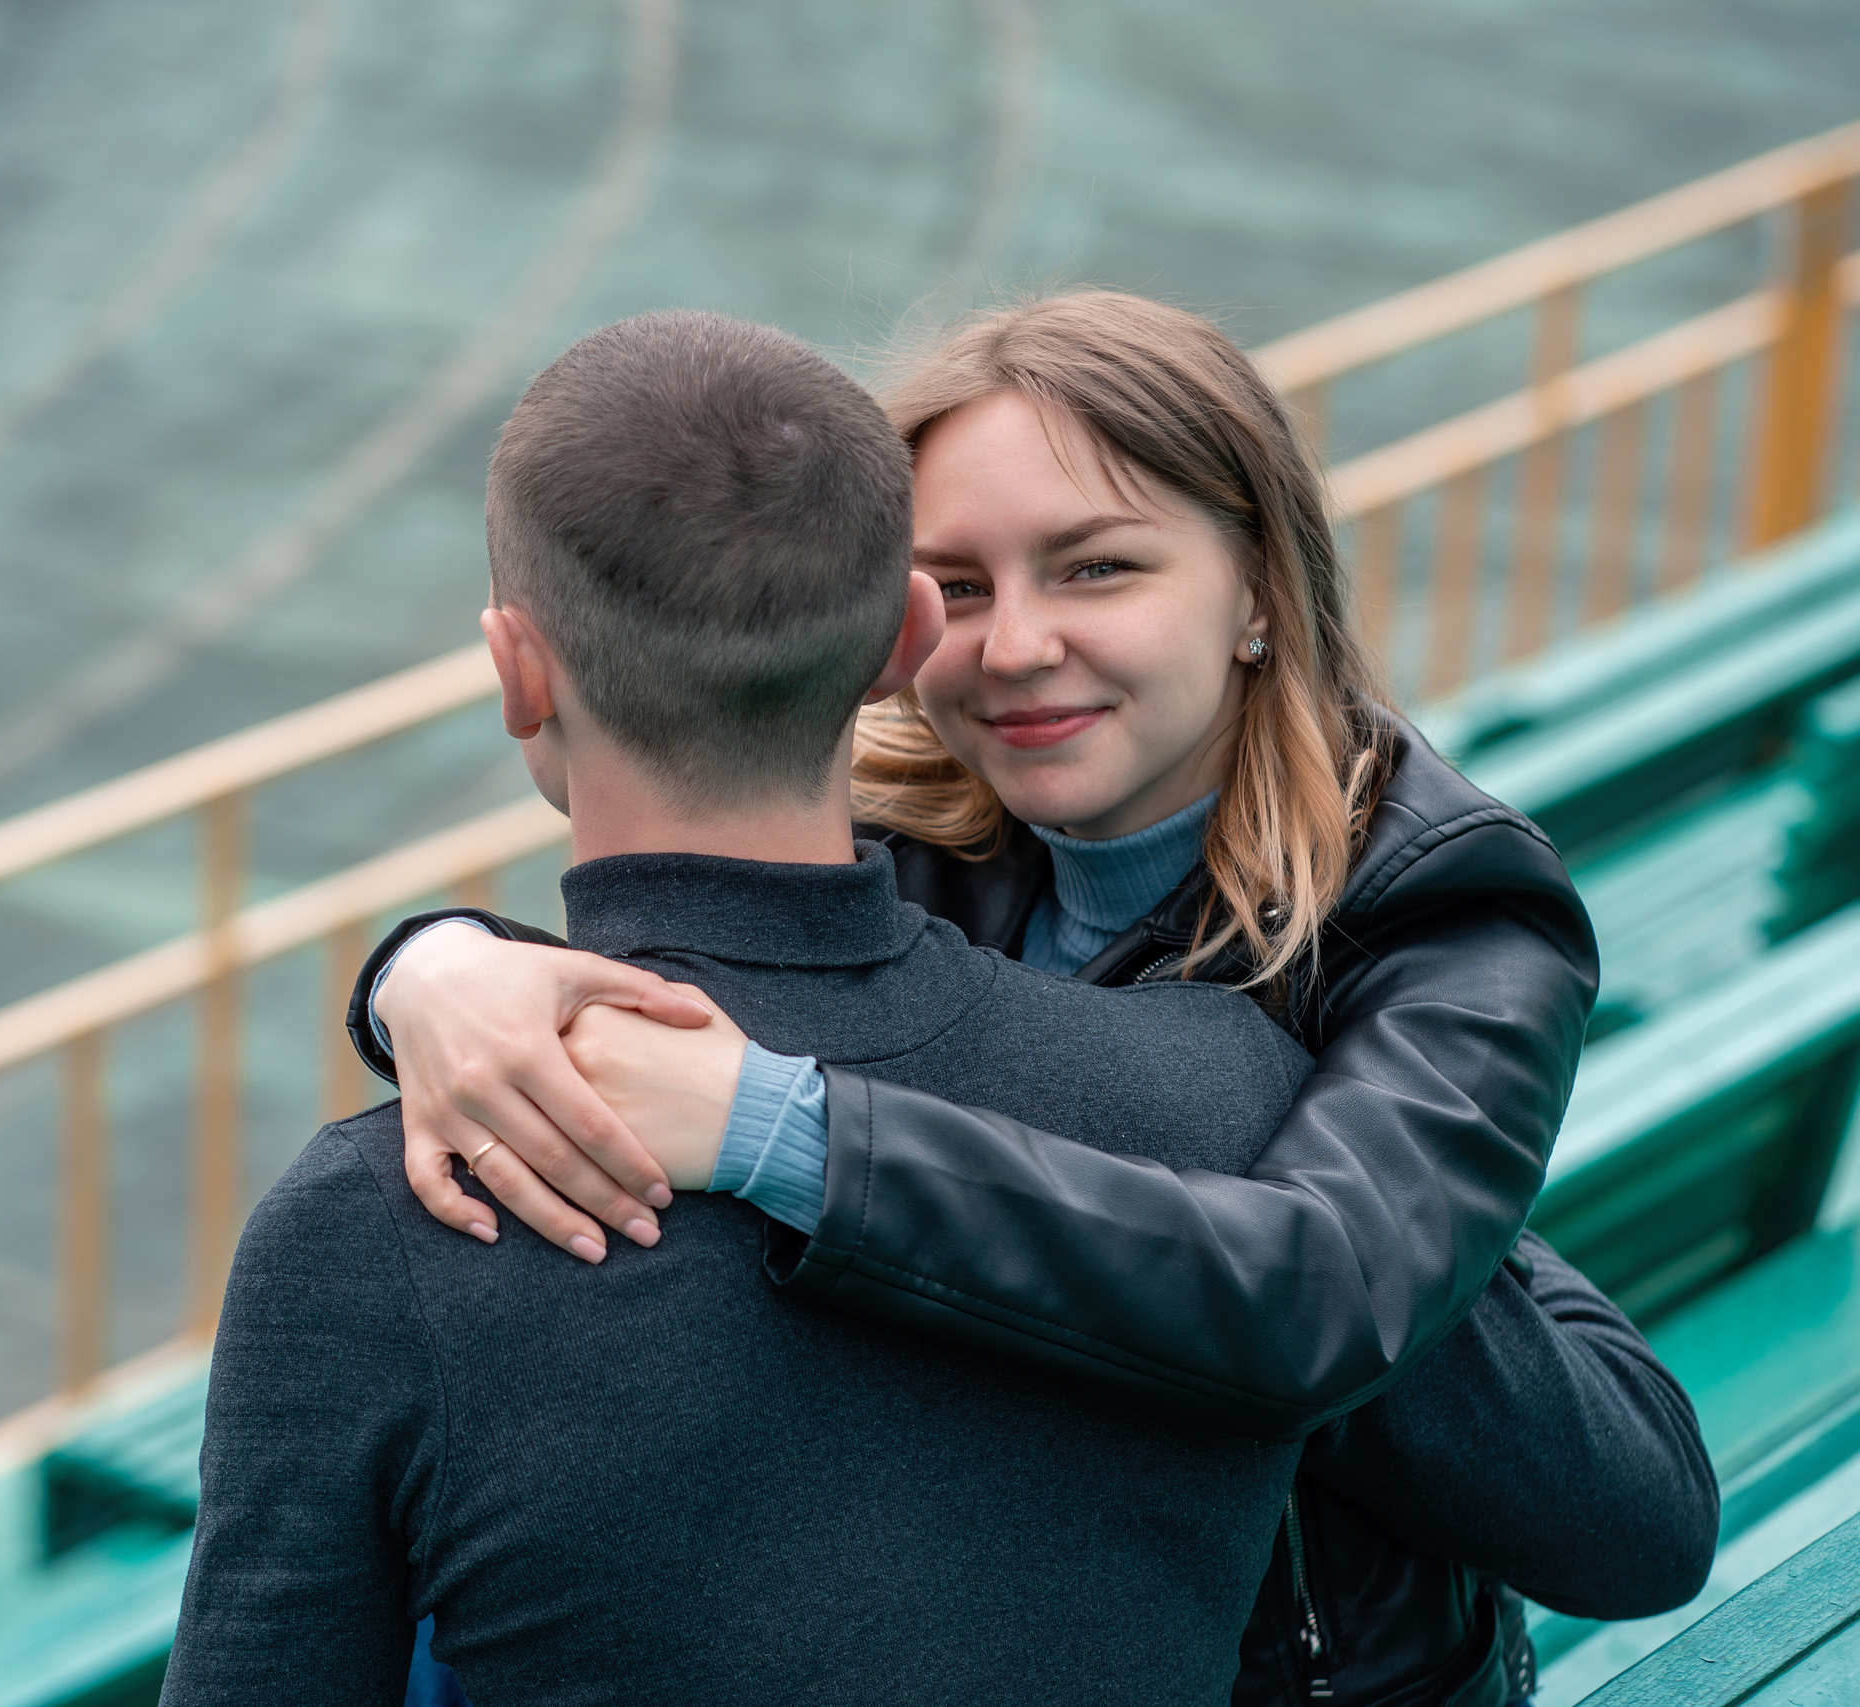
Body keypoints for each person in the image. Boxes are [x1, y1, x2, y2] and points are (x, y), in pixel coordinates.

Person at [162, 309, 1711, 1706]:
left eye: (1096, 566)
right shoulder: (929, 845)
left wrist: (778, 1128)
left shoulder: (1434, 911)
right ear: (895, 629)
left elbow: (1360, 1321)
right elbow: (725, 940)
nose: (1018, 644)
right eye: (960, 586)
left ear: (1258, 591)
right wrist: (432, 967)